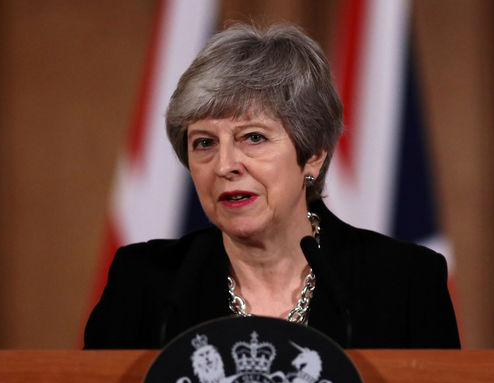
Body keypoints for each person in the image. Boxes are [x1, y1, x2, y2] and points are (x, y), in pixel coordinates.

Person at [84, 23, 459, 350]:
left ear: (311, 154)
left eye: (253, 138)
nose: (225, 165)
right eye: (204, 143)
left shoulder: (405, 281)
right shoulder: (145, 283)